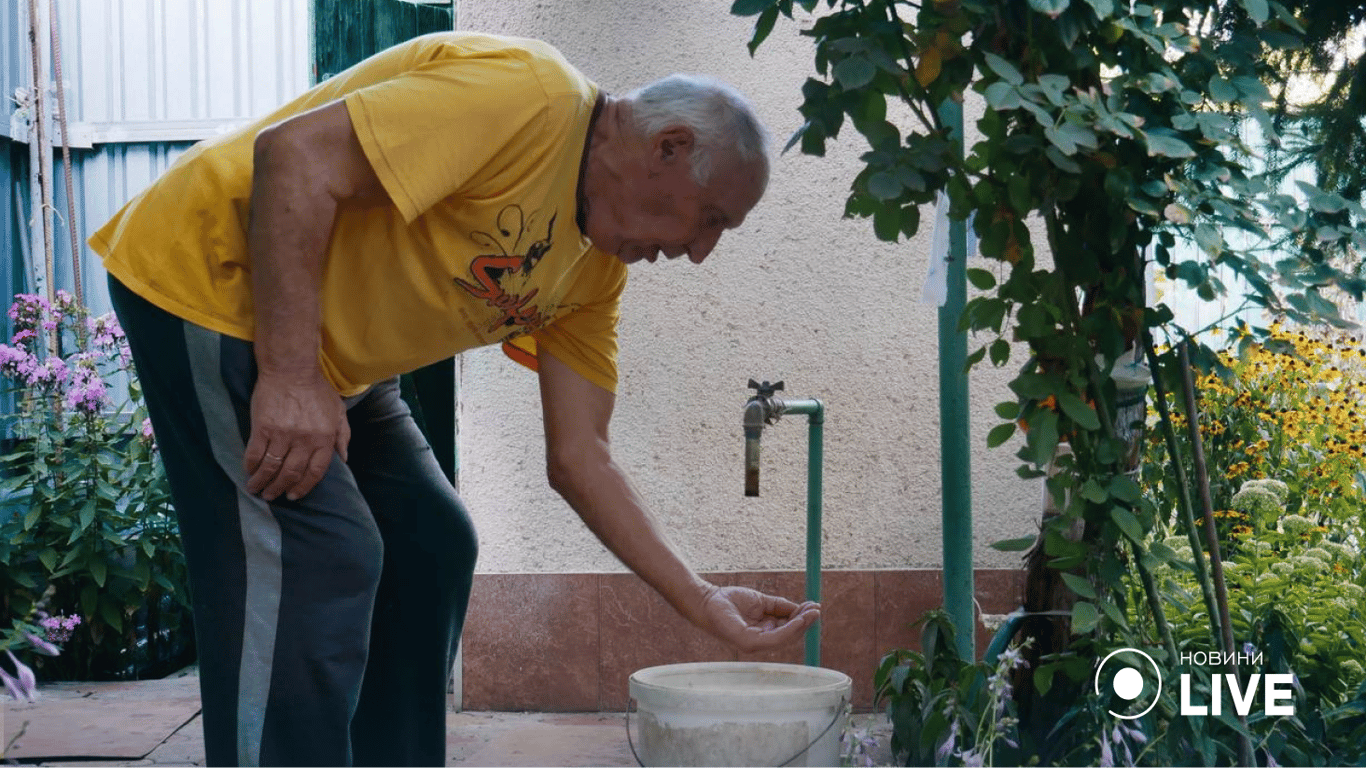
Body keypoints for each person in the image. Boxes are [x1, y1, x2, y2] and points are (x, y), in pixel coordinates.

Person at [89, 31, 819, 768]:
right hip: (214, 284)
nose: (699, 252)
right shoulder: (529, 101)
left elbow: (580, 455)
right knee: (323, 553)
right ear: (668, 147)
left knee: (429, 541)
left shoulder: (593, 273)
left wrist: (701, 600)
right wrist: (287, 376)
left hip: (334, 360)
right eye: (712, 218)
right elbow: (296, 156)